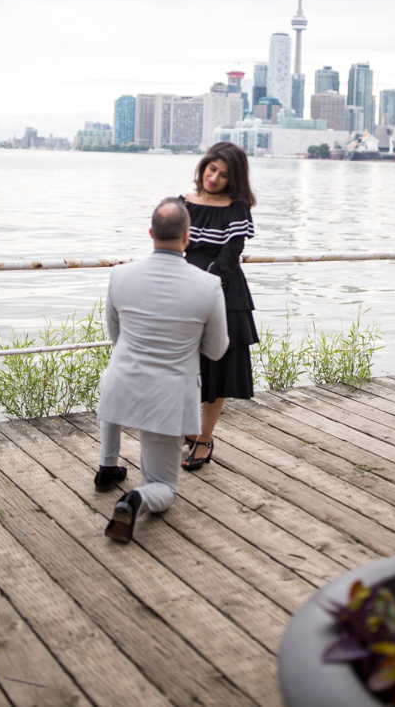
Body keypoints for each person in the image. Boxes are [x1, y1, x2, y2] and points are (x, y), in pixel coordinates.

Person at [95, 197, 229, 543]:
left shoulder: (120, 275)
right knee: (164, 488)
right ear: (188, 237)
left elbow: (116, 336)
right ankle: (135, 498)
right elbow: (216, 350)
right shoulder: (208, 285)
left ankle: (107, 467)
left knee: (118, 376)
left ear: (151, 233)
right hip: (167, 397)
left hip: (119, 386)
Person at [180, 141, 257, 472]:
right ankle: (187, 426)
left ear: (233, 179)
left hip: (224, 292)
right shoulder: (181, 204)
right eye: (212, 169)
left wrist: (205, 287)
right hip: (182, 288)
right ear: (204, 166)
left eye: (223, 175)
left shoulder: (236, 209)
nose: (214, 178)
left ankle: (205, 437)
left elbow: (229, 257)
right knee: (182, 363)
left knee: (217, 366)